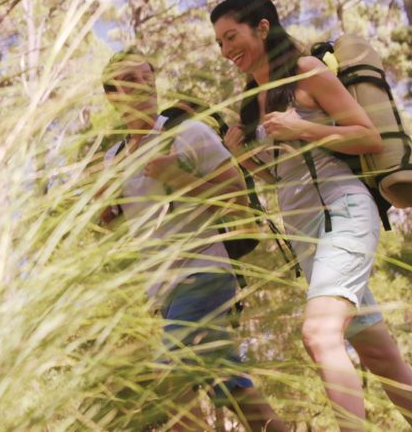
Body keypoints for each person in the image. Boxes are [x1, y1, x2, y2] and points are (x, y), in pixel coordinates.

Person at [210, 0, 412, 432]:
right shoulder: (252, 100)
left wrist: (302, 127)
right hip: (307, 236)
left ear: (262, 28)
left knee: (319, 335)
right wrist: (242, 158)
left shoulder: (306, 72)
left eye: (231, 36)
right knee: (378, 353)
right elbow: (281, 175)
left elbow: (367, 136)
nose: (226, 50)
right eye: (219, 43)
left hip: (343, 212)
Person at [99, 50, 287, 432]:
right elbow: (113, 227)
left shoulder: (187, 132)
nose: (146, 84)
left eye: (147, 75)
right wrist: (105, 214)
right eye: (132, 80)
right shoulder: (115, 157)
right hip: (162, 289)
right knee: (231, 386)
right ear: (113, 95)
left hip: (203, 271)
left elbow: (236, 194)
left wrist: (178, 176)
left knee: (170, 385)